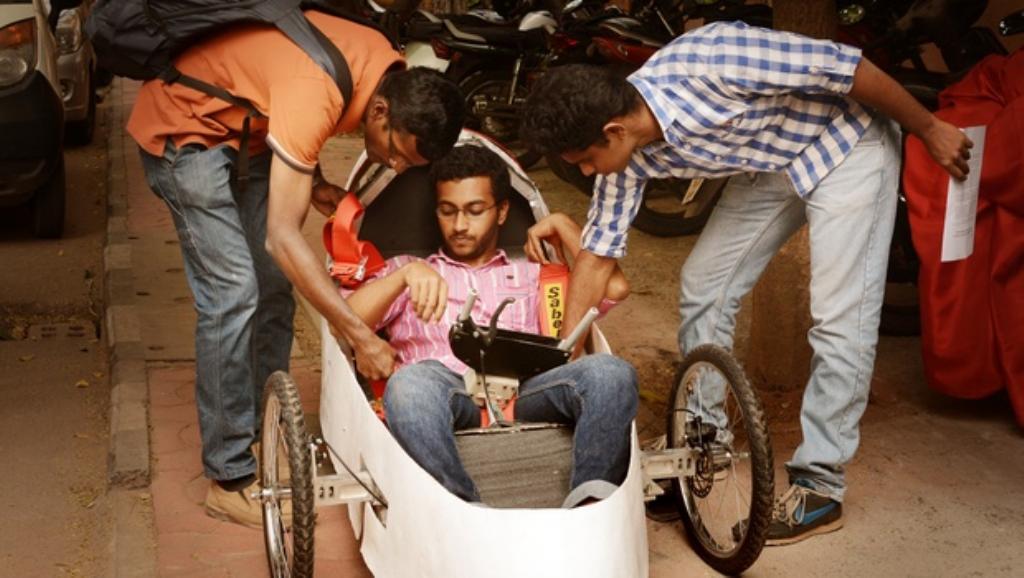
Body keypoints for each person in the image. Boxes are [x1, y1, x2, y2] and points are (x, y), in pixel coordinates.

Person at [520, 21, 972, 543]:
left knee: (837, 318)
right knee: (704, 285)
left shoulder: (715, 59)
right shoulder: (624, 156)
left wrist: (929, 129)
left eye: (588, 162)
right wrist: (572, 370)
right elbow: (596, 259)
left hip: (848, 146)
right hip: (773, 161)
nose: (592, 174)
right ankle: (701, 449)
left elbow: (849, 69)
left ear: (614, 132)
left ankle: (820, 486)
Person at [127, 9, 465, 527]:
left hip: (250, 134)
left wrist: (318, 181)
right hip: (186, 129)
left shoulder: (383, 63)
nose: (395, 167)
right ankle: (228, 475)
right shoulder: (322, 91)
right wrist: (359, 335)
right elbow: (284, 235)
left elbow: (285, 89)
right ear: (379, 113)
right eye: (398, 154)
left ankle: (266, 431)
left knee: (273, 287)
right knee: (233, 292)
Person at [343, 144, 639, 507]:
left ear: (501, 212)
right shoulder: (411, 272)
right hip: (445, 394)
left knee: (612, 374)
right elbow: (346, 323)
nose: (459, 226)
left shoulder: (535, 273)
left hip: (528, 392)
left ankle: (592, 504)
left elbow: (615, 287)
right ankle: (462, 506)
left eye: (475, 210)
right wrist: (405, 275)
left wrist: (563, 224)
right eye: (447, 211)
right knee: (409, 384)